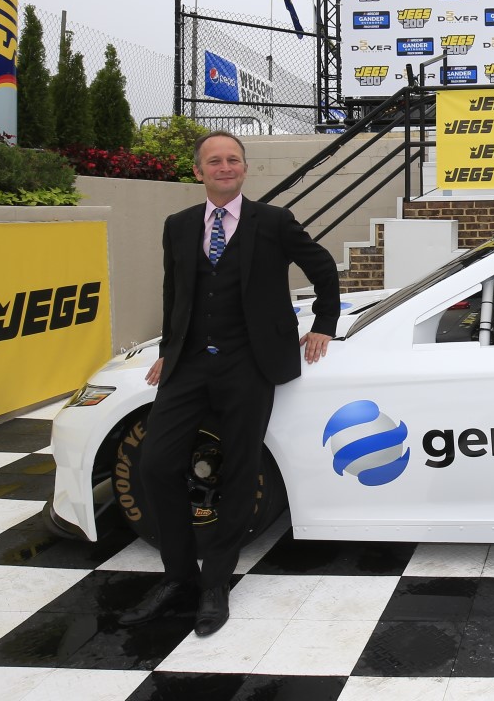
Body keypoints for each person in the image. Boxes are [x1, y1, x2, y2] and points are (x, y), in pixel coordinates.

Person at [120, 130, 341, 637]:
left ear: (244, 169)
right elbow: (174, 292)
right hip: (190, 363)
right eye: (214, 161)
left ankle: (216, 583)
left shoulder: (273, 222)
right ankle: (179, 578)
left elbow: (323, 267)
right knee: (156, 465)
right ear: (198, 171)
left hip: (250, 363)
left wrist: (324, 323)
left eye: (233, 160)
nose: (225, 167)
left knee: (240, 470)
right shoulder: (177, 226)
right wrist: (167, 350)